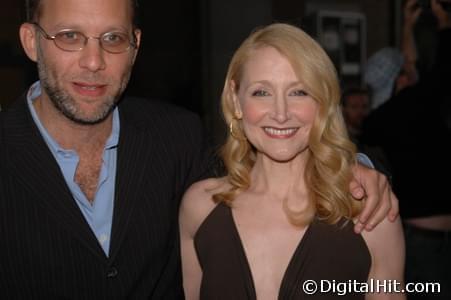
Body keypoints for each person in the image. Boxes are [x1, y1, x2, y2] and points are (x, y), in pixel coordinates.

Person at [0, 0, 398, 298]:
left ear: (135, 46)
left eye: (112, 38)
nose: (93, 61)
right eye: (69, 36)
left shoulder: (177, 136)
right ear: (31, 42)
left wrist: (353, 168)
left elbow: (257, 172)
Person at [180, 23, 405, 300]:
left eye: (299, 92)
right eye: (261, 92)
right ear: (235, 100)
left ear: (322, 101)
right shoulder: (199, 208)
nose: (281, 113)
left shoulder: (369, 215)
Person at [361, 0, 451, 299]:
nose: (407, 71)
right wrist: (443, 23)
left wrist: (407, 25)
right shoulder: (415, 105)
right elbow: (436, 72)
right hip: (424, 246)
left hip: (420, 240)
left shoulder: (382, 117)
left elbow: (410, 65)